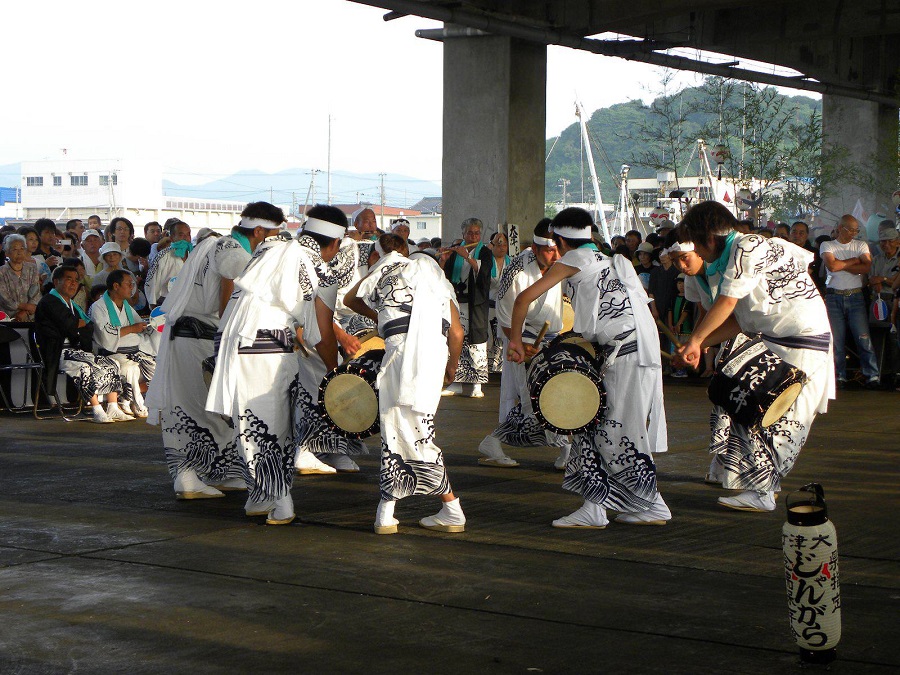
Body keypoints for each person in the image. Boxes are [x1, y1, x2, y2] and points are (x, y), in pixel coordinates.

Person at [508, 207, 671, 528]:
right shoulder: (609, 260)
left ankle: (650, 504)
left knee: (610, 427)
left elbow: (523, 298)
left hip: (621, 354)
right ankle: (598, 507)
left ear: (559, 240)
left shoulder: (575, 259)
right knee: (596, 423)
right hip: (634, 350)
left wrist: (515, 341)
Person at [671, 201, 834, 513]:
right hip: (772, 341)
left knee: (786, 420)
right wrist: (699, 344)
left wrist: (695, 339)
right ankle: (760, 487)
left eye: (697, 246)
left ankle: (764, 492)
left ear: (708, 238)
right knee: (749, 411)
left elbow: (728, 304)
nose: (699, 256)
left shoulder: (748, 247)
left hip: (802, 342)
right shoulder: (735, 254)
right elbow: (737, 320)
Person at [146, 201, 282, 501]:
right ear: (259, 230)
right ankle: (187, 477)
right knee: (193, 410)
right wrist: (228, 338)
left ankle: (218, 471)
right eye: (272, 233)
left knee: (211, 411)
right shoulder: (232, 249)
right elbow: (229, 289)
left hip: (193, 338)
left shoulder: (220, 244)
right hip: (198, 338)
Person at [206, 228, 338, 526]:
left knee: (253, 425)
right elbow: (318, 326)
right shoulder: (304, 259)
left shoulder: (267, 253)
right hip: (268, 350)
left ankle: (271, 498)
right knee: (271, 426)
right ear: (334, 243)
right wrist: (334, 370)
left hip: (246, 348)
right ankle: (272, 499)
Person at [345, 233, 467, 535]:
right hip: (433, 353)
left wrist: (382, 317)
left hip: (402, 353)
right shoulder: (432, 275)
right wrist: (451, 367)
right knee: (409, 429)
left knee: (405, 430)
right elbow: (457, 333)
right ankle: (390, 512)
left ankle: (448, 509)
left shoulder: (384, 268)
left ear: (377, 255)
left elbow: (349, 299)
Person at [476, 219, 569, 469]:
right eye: (549, 250)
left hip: (550, 339)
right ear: (536, 248)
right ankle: (566, 449)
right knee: (534, 400)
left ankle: (495, 441)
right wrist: (517, 343)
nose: (555, 255)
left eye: (557, 249)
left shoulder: (561, 263)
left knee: (545, 397)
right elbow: (506, 315)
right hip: (523, 339)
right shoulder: (517, 269)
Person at [292, 205, 368, 474]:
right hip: (291, 338)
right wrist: (333, 366)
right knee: (316, 393)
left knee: (322, 395)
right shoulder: (311, 264)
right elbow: (313, 311)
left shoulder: (284, 252)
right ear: (337, 241)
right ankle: (302, 451)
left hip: (298, 334)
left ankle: (332, 450)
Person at [34, 266, 131, 423]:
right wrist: (77, 325)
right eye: (68, 279)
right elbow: (70, 324)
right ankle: (96, 409)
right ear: (56, 281)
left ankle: (113, 406)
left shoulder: (72, 304)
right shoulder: (49, 301)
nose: (73, 284)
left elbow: (86, 325)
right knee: (85, 366)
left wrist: (78, 325)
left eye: (76, 280)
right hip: (57, 352)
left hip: (76, 350)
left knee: (111, 363)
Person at [819, 215, 879, 388]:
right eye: (850, 229)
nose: (853, 233)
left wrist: (841, 264)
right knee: (836, 340)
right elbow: (832, 266)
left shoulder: (861, 244)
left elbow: (866, 267)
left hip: (856, 296)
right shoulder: (827, 245)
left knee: (863, 337)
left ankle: (872, 376)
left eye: (856, 230)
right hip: (833, 296)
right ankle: (839, 376)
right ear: (840, 228)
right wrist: (854, 260)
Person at [89, 270, 156, 418]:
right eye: (129, 284)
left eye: (133, 284)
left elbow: (139, 324)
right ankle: (136, 402)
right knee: (130, 368)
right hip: (110, 354)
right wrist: (132, 329)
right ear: (116, 286)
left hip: (132, 352)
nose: (132, 287)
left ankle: (126, 399)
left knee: (155, 364)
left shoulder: (125, 305)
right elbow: (105, 336)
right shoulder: (98, 307)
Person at [440, 217, 493, 397]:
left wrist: (468, 257)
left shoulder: (484, 251)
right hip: (456, 302)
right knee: (455, 340)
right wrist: (444, 260)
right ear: (463, 234)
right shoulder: (455, 250)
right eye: (469, 232)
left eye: (477, 233)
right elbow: (442, 277)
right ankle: (455, 381)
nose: (473, 236)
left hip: (475, 303)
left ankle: (477, 383)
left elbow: (485, 272)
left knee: (477, 341)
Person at [145, 219, 191, 307]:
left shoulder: (193, 255)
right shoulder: (163, 256)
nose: (186, 238)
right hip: (165, 301)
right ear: (172, 237)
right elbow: (151, 282)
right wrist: (153, 306)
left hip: (188, 302)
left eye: (188, 234)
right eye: (181, 234)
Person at [0, 234, 41, 321]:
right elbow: (4, 298)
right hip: (8, 318)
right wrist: (25, 306)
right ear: (7, 252)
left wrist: (25, 312)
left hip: (30, 317)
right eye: (15, 249)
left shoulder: (32, 268)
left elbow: (36, 293)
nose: (19, 252)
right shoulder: (1, 272)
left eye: (22, 248)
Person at [486, 231, 511, 373]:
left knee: (502, 338)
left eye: (505, 245)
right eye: (498, 244)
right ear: (492, 245)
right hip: (488, 305)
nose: (502, 248)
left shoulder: (512, 262)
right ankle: (488, 367)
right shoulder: (486, 260)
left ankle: (500, 368)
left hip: (504, 307)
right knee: (489, 338)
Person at [667, 274, 693, 378]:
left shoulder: (689, 298)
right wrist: (670, 324)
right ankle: (677, 369)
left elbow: (686, 312)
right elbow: (670, 311)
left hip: (685, 329)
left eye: (683, 283)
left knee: (684, 348)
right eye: (679, 283)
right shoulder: (673, 298)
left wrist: (679, 324)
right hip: (674, 329)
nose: (681, 285)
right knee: (674, 350)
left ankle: (683, 370)